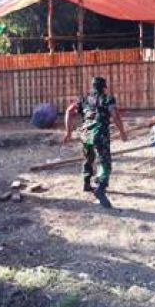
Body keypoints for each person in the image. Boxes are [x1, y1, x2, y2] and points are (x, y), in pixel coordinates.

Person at [63, 76, 127, 208]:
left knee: (88, 158)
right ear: (104, 88)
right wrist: (122, 132)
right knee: (104, 162)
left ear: (92, 87)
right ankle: (101, 188)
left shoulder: (84, 99)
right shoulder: (107, 99)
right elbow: (115, 115)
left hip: (86, 134)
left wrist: (68, 132)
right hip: (100, 134)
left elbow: (69, 111)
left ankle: (86, 183)